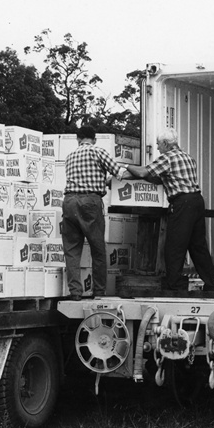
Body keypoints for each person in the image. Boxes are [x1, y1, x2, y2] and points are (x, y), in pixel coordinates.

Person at [122, 128, 214, 292]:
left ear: (166, 144)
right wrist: (130, 175)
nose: (158, 148)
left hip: (182, 204)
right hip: (196, 201)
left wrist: (124, 166)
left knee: (174, 246)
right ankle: (211, 285)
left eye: (159, 144)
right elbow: (159, 178)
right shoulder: (188, 157)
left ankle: (174, 286)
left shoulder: (167, 158)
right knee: (198, 246)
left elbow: (144, 172)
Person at [61, 126, 125, 299]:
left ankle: (75, 292)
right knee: (97, 248)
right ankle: (98, 291)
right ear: (94, 139)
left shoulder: (70, 156)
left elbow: (84, 177)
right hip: (90, 201)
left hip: (69, 201)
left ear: (78, 139)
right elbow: (118, 172)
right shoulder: (98, 152)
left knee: (72, 250)